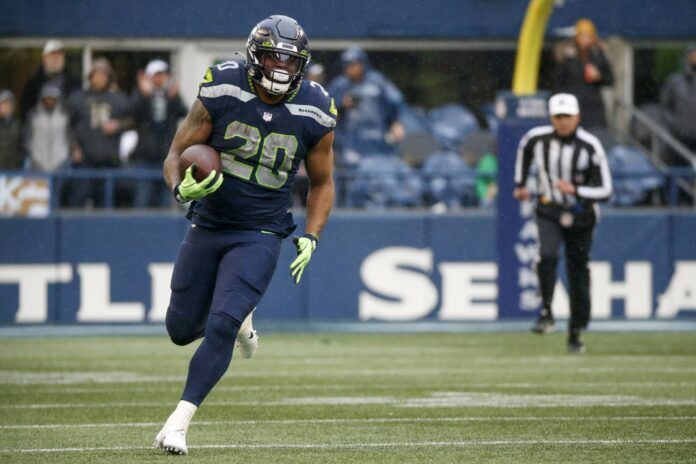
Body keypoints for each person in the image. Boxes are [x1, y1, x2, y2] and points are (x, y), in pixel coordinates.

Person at [154, 15, 336, 455]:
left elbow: (323, 181)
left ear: (303, 65)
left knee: (220, 325)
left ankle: (178, 424)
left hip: (262, 229)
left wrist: (311, 234)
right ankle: (242, 319)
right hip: (211, 220)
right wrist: (181, 188)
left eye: (290, 60)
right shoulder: (223, 86)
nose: (280, 67)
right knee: (180, 329)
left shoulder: (316, 107)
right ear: (254, 56)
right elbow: (176, 154)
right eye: (273, 56)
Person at [513, 93, 612, 353]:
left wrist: (576, 190)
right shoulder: (538, 138)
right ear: (551, 118)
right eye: (558, 116)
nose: (563, 121)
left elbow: (606, 190)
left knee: (577, 271)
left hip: (582, 214)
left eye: (567, 116)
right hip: (549, 209)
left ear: (577, 117)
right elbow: (524, 149)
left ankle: (575, 329)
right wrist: (521, 184)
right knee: (546, 255)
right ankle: (546, 311)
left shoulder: (590, 146)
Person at [66, 57, 133, 207]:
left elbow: (134, 120)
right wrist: (74, 147)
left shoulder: (118, 99)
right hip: (84, 162)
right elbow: (67, 126)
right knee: (77, 202)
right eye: (97, 74)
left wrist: (118, 125)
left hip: (109, 162)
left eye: (104, 74)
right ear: (90, 76)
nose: (100, 78)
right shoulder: (78, 98)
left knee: (106, 204)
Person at [327, 46, 405, 166]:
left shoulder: (377, 81)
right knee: (351, 173)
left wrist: (396, 122)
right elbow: (325, 110)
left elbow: (395, 100)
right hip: (349, 139)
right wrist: (341, 106)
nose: (350, 68)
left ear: (362, 63)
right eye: (346, 64)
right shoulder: (339, 85)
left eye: (353, 64)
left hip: (378, 136)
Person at [130, 59, 188, 207]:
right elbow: (132, 114)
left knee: (165, 201)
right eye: (157, 74)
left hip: (167, 155)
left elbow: (185, 113)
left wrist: (173, 98)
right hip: (145, 155)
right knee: (142, 199)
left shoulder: (171, 94)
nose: (160, 78)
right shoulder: (140, 94)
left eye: (163, 74)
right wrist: (144, 95)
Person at [553, 19, 614, 129]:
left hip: (593, 109)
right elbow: (557, 83)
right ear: (576, 37)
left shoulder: (598, 54)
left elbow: (610, 80)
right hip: (572, 105)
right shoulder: (567, 55)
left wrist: (598, 76)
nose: (585, 40)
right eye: (582, 36)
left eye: (588, 36)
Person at [17, 39, 81, 122]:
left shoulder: (74, 83)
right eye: (52, 55)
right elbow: (24, 111)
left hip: (65, 132)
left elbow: (80, 111)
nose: (56, 59)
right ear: (44, 58)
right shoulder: (32, 85)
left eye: (59, 55)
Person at [659, 45, 696, 163]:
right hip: (680, 139)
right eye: (692, 58)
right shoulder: (674, 82)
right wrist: (676, 126)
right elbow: (665, 107)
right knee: (679, 173)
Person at [25, 85, 70, 172]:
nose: (50, 101)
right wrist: (32, 155)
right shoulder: (34, 116)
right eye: (47, 98)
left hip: (60, 161)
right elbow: (27, 136)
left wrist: (66, 155)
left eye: (52, 99)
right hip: (38, 162)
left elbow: (69, 136)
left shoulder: (64, 116)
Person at [0, 90, 23, 169]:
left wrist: (19, 162)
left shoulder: (18, 125)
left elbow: (21, 146)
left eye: (9, 104)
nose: (6, 107)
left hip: (13, 169)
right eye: (3, 104)